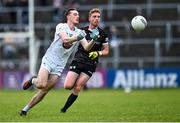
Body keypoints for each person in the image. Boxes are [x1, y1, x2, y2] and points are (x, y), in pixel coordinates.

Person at [19, 8, 98, 116]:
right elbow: (65, 40)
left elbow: (87, 47)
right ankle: (33, 80)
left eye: (78, 14)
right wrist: (77, 37)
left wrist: (94, 39)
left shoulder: (79, 32)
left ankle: (25, 110)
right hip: (49, 59)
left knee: (44, 91)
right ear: (68, 17)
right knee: (41, 84)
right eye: (75, 14)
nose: (77, 16)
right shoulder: (61, 26)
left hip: (60, 65)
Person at [60, 8, 109, 113]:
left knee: (78, 87)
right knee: (68, 86)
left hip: (91, 63)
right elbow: (71, 43)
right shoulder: (82, 31)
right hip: (79, 60)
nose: (97, 19)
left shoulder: (103, 34)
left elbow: (106, 50)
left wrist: (98, 53)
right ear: (89, 18)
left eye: (98, 17)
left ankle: (64, 110)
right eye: (94, 17)